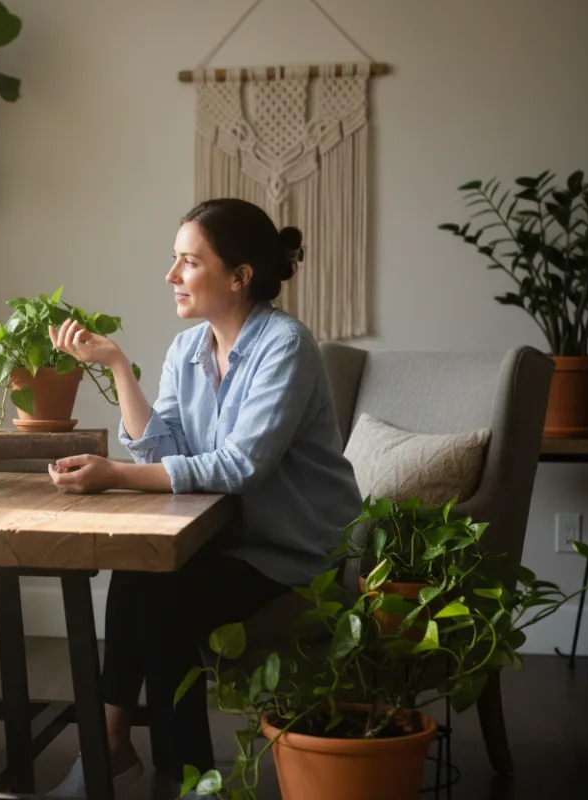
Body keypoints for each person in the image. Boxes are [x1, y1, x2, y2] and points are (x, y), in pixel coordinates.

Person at [44, 198, 362, 796]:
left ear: (239, 277)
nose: (171, 277)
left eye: (188, 263)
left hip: (300, 557)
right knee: (139, 572)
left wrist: (112, 474)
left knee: (162, 596)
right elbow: (162, 453)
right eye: (174, 261)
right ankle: (122, 750)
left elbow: (240, 465)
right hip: (228, 543)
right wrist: (116, 366)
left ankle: (175, 773)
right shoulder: (187, 351)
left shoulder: (285, 347)